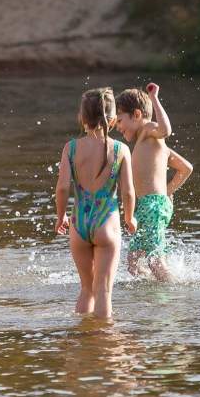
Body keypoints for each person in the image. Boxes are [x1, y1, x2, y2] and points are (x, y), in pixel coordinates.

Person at [54, 88, 137, 319]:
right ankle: (105, 347)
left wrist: (60, 217)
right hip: (106, 223)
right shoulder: (121, 150)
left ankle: (84, 344)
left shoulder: (70, 148)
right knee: (104, 291)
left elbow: (62, 187)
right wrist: (130, 218)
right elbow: (128, 192)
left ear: (82, 118)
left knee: (86, 289)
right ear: (112, 119)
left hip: (79, 224)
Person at [115, 83, 194, 282]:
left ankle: (171, 294)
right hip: (147, 207)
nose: (118, 126)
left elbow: (165, 130)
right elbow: (186, 168)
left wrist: (154, 99)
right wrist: (167, 193)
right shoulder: (154, 146)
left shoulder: (149, 130)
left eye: (120, 120)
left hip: (153, 206)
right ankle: (156, 292)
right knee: (133, 264)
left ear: (137, 114)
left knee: (154, 261)